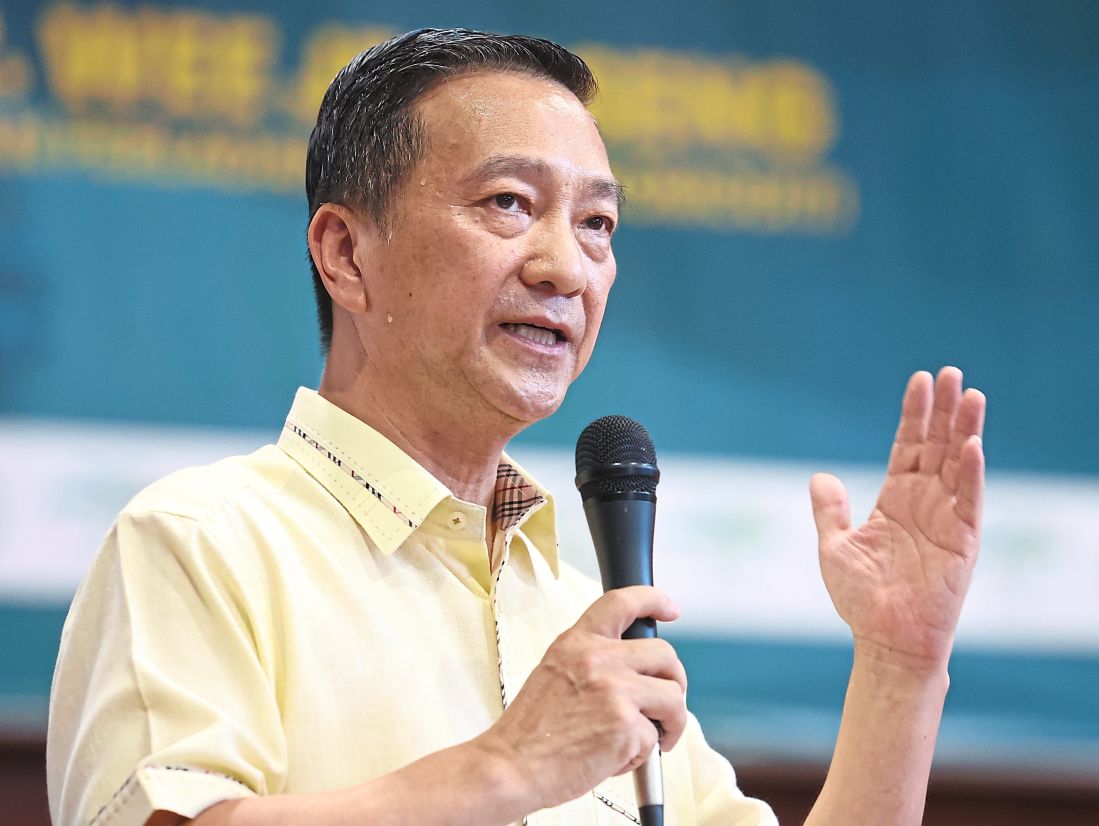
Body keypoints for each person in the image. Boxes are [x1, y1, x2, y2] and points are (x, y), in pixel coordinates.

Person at [47, 28, 986, 826]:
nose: (565, 267)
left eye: (597, 224)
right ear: (345, 254)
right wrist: (508, 768)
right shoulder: (200, 542)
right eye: (509, 203)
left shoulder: (581, 619)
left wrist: (899, 669)